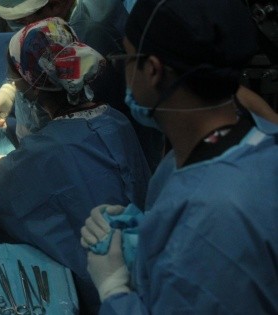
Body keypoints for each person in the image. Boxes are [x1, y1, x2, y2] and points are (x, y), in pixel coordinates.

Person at [80, 0, 278, 313]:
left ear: (152, 70)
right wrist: (149, 234)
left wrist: (114, 290)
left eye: (127, 59)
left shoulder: (210, 217)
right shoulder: (258, 138)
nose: (125, 71)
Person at [0, 18, 151, 313]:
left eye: (14, 79)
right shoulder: (115, 120)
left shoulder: (45, 150)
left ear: (32, 86)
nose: (12, 85)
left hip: (101, 293)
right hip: (151, 274)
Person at [0, 0, 164, 171]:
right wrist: (8, 89)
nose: (21, 27)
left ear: (57, 4)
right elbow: (30, 56)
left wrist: (20, 164)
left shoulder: (97, 31)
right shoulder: (43, 22)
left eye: (24, 20)